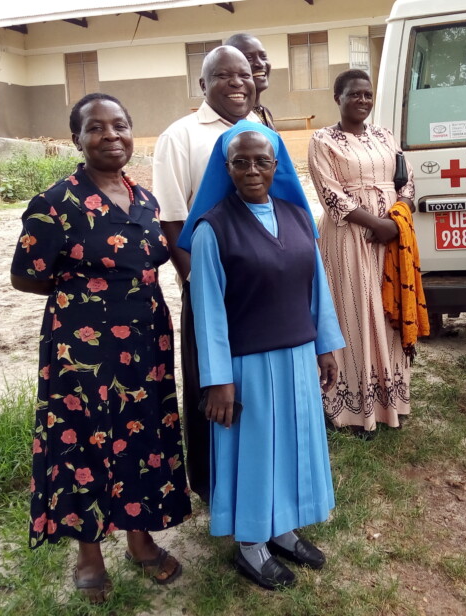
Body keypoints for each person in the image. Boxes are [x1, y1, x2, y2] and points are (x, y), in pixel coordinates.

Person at [11, 93, 191, 603]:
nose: (111, 135)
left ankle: (139, 539)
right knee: (83, 442)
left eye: (120, 125)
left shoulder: (147, 201)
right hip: (81, 350)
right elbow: (25, 277)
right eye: (97, 127)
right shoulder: (55, 203)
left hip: (145, 345)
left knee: (141, 436)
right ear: (77, 139)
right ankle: (88, 554)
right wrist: (83, 293)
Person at [179, 120, 344, 590]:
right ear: (226, 168)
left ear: (278, 165)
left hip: (295, 355)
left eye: (262, 161)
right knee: (253, 454)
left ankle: (283, 529)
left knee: (293, 445)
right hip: (246, 364)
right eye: (240, 161)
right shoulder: (214, 228)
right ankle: (251, 543)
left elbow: (318, 288)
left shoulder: (296, 216)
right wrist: (218, 380)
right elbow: (208, 310)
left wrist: (326, 343)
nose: (252, 169)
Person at [151, 45, 258, 500]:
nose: (238, 82)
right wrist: (197, 283)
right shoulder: (181, 136)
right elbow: (171, 218)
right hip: (208, 291)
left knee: (253, 388)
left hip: (258, 292)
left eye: (245, 74)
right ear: (203, 85)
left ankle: (256, 479)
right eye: (224, 76)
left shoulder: (258, 130)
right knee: (210, 390)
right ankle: (214, 487)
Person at [308, 69, 416, 435]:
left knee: (388, 312)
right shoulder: (323, 140)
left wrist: (398, 215)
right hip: (349, 237)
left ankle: (391, 402)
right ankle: (354, 408)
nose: (363, 101)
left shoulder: (385, 136)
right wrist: (376, 223)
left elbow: (407, 178)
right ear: (337, 98)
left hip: (390, 239)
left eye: (368, 95)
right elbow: (329, 192)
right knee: (354, 312)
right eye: (355, 94)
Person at [226, 33, 275, 129]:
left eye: (263, 56)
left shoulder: (264, 112)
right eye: (248, 58)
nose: (260, 64)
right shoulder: (234, 119)